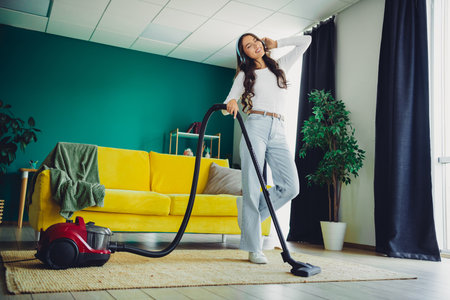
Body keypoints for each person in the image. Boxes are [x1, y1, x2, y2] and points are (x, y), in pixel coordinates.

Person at [224, 33, 311, 264]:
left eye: (256, 42)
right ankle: (254, 248)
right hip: (256, 125)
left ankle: (248, 215)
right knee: (253, 184)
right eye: (248, 46)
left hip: (279, 128)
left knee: (291, 186)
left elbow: (307, 41)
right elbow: (228, 102)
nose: (255, 47)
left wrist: (277, 43)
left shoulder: (280, 65)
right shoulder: (245, 74)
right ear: (244, 53)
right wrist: (231, 102)